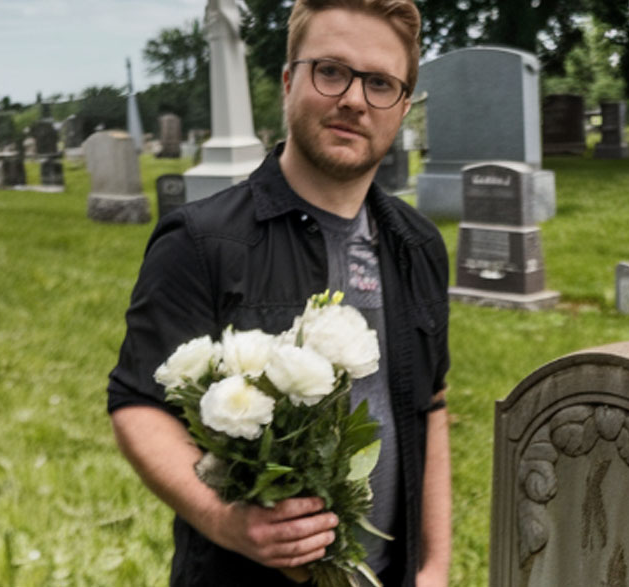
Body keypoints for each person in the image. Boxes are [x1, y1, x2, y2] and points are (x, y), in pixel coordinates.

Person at [106, 1, 451, 585]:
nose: (354, 99)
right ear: (290, 81)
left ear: (402, 107)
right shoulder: (201, 242)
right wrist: (226, 520)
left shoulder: (418, 245)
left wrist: (434, 567)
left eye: (380, 83)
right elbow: (138, 405)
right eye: (331, 71)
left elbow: (432, 406)